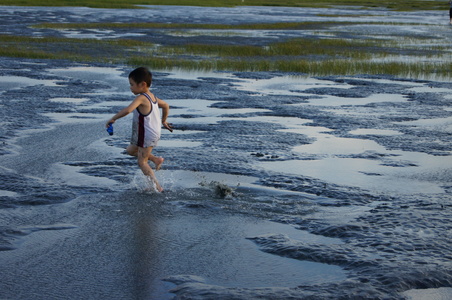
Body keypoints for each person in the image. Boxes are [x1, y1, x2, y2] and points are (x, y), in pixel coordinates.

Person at [106, 67, 172, 192]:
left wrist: (113, 119)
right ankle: (156, 159)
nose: (130, 87)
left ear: (142, 84)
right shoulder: (152, 97)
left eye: (132, 84)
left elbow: (128, 110)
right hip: (148, 133)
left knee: (142, 162)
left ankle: (157, 187)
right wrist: (163, 121)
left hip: (146, 135)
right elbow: (166, 105)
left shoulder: (141, 98)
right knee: (130, 150)